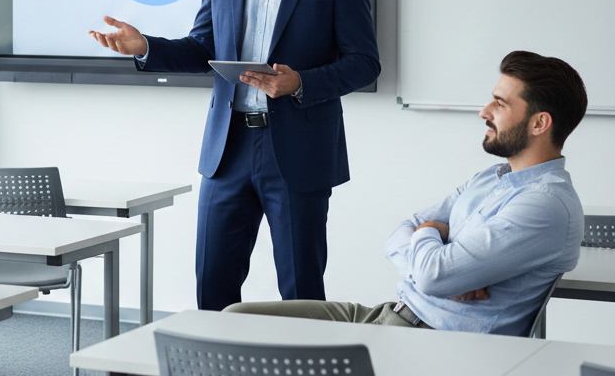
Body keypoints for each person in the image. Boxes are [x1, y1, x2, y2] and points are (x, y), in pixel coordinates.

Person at [90, 0, 380, 309]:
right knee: (213, 288)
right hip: (228, 151)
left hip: (298, 151)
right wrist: (146, 48)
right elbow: (203, 47)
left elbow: (364, 62)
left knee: (301, 293)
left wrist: (300, 82)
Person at [226, 51, 588, 336]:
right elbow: (400, 237)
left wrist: (432, 241)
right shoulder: (491, 178)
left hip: (429, 341)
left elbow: (433, 272)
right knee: (233, 320)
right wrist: (441, 268)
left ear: (540, 123)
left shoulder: (545, 205)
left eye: (500, 103)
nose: (484, 111)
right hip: (388, 315)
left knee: (246, 345)